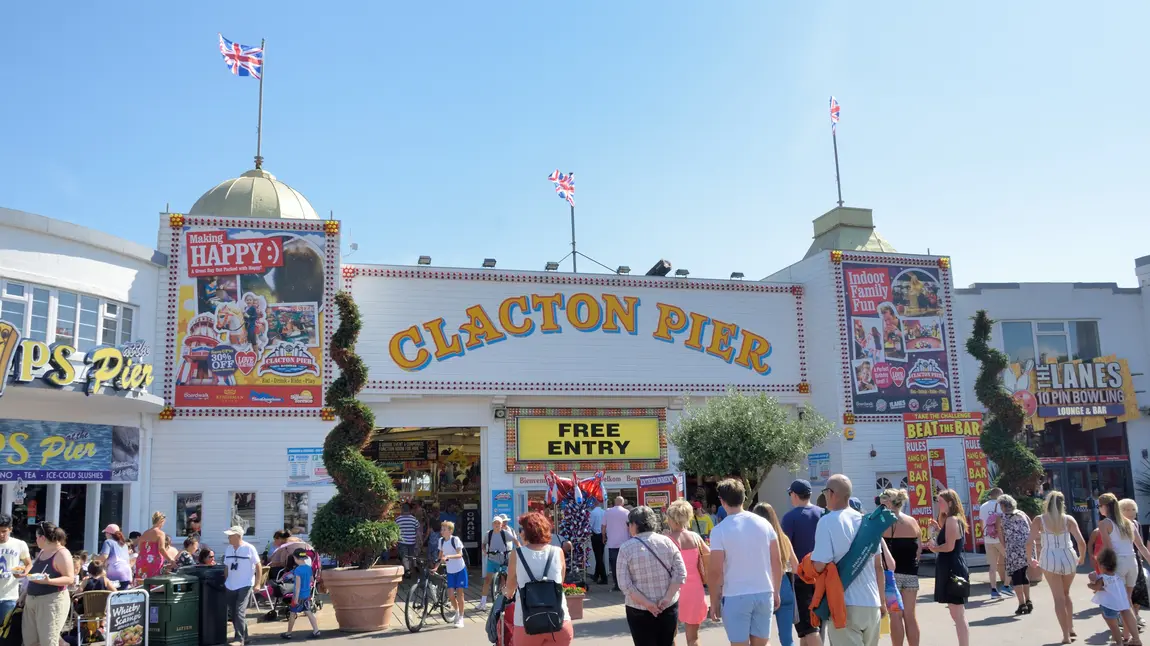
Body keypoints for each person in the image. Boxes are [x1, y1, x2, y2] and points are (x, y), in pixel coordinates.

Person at [810, 474, 885, 646]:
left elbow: (820, 564)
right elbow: (878, 566)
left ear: (831, 493)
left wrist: (808, 566)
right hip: (871, 604)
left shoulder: (827, 522)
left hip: (844, 605)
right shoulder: (868, 523)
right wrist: (882, 603)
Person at [709, 478, 782, 646]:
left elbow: (715, 571)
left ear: (722, 501)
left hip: (736, 595)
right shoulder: (764, 524)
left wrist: (714, 601)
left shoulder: (719, 531)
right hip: (764, 591)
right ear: (743, 497)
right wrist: (776, 590)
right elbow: (776, 561)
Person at [617, 506, 687, 646]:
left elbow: (624, 584)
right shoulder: (668, 542)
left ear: (634, 524)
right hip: (667, 606)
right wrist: (667, 598)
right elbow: (680, 573)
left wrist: (647, 604)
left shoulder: (626, 548)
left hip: (638, 609)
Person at [503, 511, 573, 646]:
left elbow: (510, 587)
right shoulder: (557, 552)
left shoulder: (517, 554)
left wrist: (505, 592)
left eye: (521, 529)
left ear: (526, 532)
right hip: (558, 620)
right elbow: (560, 581)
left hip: (526, 622)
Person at [1026, 490, 1086, 644]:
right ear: (1062, 504)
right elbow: (1081, 542)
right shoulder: (1068, 519)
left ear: (1046, 503)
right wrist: (1082, 557)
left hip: (1049, 557)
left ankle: (1065, 636)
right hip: (1068, 556)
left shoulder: (1040, 520)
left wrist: (1029, 558)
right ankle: (1071, 628)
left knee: (1058, 598)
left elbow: (1029, 541)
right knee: (1066, 594)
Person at [1098, 491, 1150, 640]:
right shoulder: (1130, 522)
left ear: (1105, 507)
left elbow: (1109, 549)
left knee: (1123, 604)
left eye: (1099, 506)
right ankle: (1128, 635)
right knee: (1128, 600)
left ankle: (1135, 638)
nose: (1099, 509)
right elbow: (1140, 546)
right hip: (1132, 562)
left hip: (1118, 563)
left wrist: (1103, 571)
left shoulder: (1105, 523)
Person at [782, 479, 824, 646]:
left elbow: (785, 549)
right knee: (808, 630)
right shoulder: (823, 513)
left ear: (794, 494)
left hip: (801, 579)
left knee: (809, 628)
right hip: (824, 575)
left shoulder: (790, 518)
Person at [926, 489, 970, 646]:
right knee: (956, 612)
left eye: (941, 501)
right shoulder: (952, 520)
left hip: (952, 567)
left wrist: (934, 548)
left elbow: (949, 546)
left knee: (957, 613)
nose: (939, 504)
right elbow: (950, 540)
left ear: (950, 503)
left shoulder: (952, 520)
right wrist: (939, 530)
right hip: (952, 566)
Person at [665, 500, 710, 646]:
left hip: (673, 590)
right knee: (693, 638)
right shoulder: (695, 537)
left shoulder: (667, 539)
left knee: (670, 637)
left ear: (671, 519)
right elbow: (709, 556)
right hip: (694, 590)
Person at [753, 503, 798, 646]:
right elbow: (796, 567)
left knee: (761, 638)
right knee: (787, 639)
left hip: (762, 586)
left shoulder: (756, 539)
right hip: (784, 586)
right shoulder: (783, 538)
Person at [879, 489, 920, 646]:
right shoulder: (912, 522)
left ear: (888, 503)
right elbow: (918, 550)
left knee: (895, 615)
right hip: (911, 574)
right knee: (910, 615)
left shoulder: (883, 523)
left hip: (891, 576)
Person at [25, 522, 75, 646]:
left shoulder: (62, 553)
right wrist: (23, 595)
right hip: (32, 600)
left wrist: (49, 581)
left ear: (42, 538)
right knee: (30, 640)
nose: (35, 540)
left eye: (36, 537)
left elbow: (70, 579)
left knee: (49, 641)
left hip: (51, 601)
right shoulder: (42, 552)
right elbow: (33, 575)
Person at [1090, 547, 1142, 646]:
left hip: (1108, 606)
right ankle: (1134, 639)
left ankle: (1119, 643)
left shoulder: (1102, 577)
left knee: (1113, 626)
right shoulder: (1117, 577)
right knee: (1125, 613)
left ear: (1102, 566)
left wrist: (1091, 584)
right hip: (1121, 602)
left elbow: (1097, 587)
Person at [994, 494, 1031, 618]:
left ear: (1004, 505)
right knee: (1023, 574)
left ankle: (1021, 604)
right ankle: (1028, 600)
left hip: (1013, 549)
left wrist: (1006, 548)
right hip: (1026, 547)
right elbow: (1031, 527)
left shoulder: (1001, 517)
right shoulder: (1022, 513)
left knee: (1016, 577)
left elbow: (1001, 535)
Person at [222, 525, 260, 645]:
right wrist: (225, 581)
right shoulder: (228, 549)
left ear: (238, 536)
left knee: (239, 611)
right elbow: (227, 567)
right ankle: (246, 636)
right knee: (234, 613)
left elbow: (258, 566)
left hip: (245, 584)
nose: (228, 538)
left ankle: (239, 639)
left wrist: (258, 583)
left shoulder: (249, 548)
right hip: (230, 585)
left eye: (230, 536)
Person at [1120, 499, 1150, 630]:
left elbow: (1141, 545)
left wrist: (1146, 559)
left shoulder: (1136, 524)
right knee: (1126, 591)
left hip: (1136, 560)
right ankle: (1124, 619)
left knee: (1139, 590)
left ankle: (1136, 615)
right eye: (1127, 509)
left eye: (1133, 509)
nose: (1131, 512)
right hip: (1122, 560)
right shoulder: (1117, 525)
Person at [978, 487, 1011, 598]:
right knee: (1010, 560)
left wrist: (985, 534)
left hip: (988, 538)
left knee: (992, 566)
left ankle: (993, 590)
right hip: (1000, 538)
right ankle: (1006, 586)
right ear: (999, 495)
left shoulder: (983, 506)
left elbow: (981, 523)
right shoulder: (1001, 505)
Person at [280, 548, 321, 639]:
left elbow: (297, 586)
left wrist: (295, 599)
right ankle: (316, 630)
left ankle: (289, 633)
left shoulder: (298, 570)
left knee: (292, 614)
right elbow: (312, 580)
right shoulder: (308, 568)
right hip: (306, 594)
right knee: (309, 613)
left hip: (299, 596)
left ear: (296, 558)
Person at [479, 515, 517, 611]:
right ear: (492, 524)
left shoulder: (506, 533)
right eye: (495, 523)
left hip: (504, 559)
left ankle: (503, 601)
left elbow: (515, 540)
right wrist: (484, 550)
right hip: (492, 559)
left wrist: (520, 550)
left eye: (499, 523)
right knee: (487, 580)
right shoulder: (489, 534)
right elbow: (483, 543)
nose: (497, 525)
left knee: (504, 580)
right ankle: (482, 602)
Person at [438, 521, 468, 628]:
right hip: (450, 571)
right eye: (442, 529)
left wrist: (448, 557)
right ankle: (457, 611)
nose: (442, 531)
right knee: (450, 595)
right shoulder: (441, 541)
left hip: (460, 569)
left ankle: (461, 617)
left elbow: (460, 554)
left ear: (450, 531)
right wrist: (435, 567)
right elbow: (440, 557)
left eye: (444, 529)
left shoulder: (455, 540)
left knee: (460, 595)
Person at [0, 515, 29, 621]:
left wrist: (23, 573)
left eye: (4, 531)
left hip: (9, 596)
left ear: (10, 529)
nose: (1, 534)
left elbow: (28, 564)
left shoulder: (19, 544)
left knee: (7, 633)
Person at [135, 511, 170, 583]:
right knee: (153, 583)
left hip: (141, 560)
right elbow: (161, 549)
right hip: (153, 561)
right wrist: (170, 560)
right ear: (161, 521)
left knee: (142, 583)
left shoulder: (145, 533)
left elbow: (139, 548)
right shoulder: (160, 533)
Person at [606, 496, 631, 592]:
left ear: (614, 502)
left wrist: (604, 537)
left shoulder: (607, 512)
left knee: (614, 565)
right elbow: (630, 527)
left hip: (612, 543)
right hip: (625, 542)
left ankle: (616, 584)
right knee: (625, 565)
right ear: (623, 503)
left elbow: (603, 526)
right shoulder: (626, 512)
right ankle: (625, 584)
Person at [98, 524, 132, 590]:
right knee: (123, 596)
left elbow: (104, 557)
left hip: (115, 573)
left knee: (112, 597)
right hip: (127, 574)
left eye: (105, 533)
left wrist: (94, 558)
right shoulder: (124, 544)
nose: (105, 535)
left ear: (109, 534)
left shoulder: (108, 542)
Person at [395, 503, 420, 577]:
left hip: (402, 541)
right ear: (410, 510)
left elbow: (395, 531)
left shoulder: (398, 519)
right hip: (412, 541)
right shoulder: (414, 519)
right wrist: (420, 540)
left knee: (404, 556)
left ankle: (407, 570)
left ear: (402, 510)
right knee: (410, 556)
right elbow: (418, 530)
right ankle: (408, 569)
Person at [590, 501, 608, 584]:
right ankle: (596, 575)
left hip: (596, 535)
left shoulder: (593, 513)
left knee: (598, 557)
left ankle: (604, 577)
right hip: (603, 535)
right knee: (600, 555)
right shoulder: (604, 512)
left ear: (594, 503)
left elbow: (590, 525)